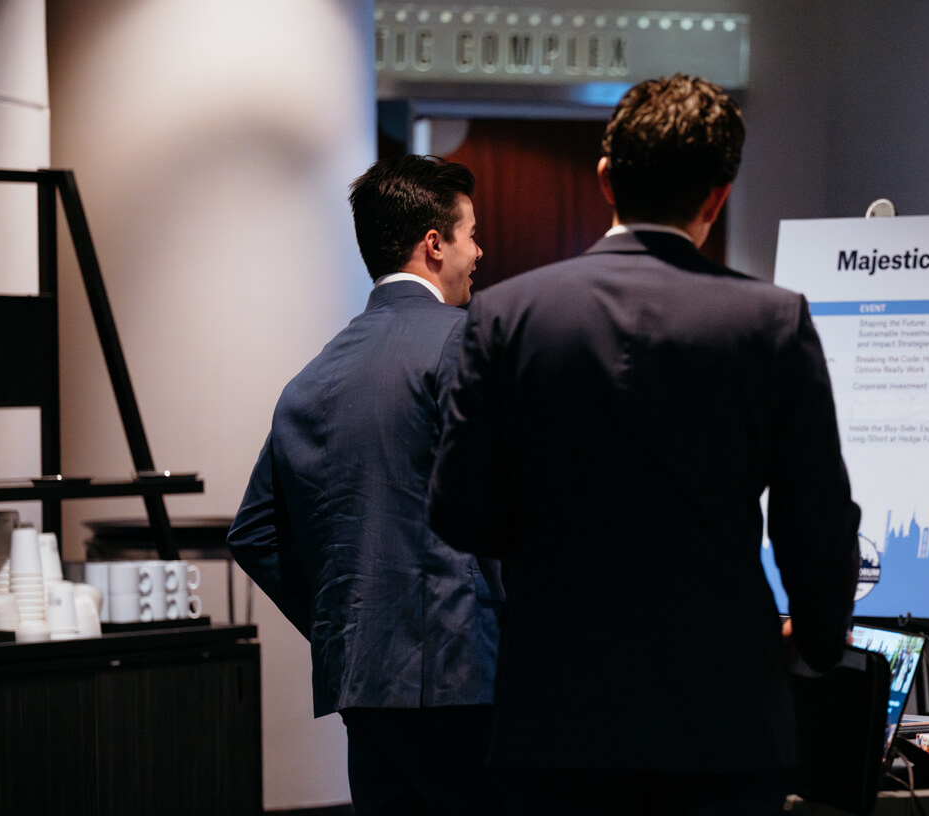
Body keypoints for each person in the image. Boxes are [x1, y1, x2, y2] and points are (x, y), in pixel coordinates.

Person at [428, 74, 860, 815]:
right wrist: (820, 644)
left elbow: (460, 510)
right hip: (722, 721)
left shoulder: (506, 315)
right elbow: (815, 520)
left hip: (556, 716)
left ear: (605, 181)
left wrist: (550, 545)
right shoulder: (772, 322)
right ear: (718, 195)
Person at [227, 155, 501, 815]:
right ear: (434, 244)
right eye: (470, 234)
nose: (480, 251)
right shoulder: (473, 346)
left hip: (364, 685)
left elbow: (254, 531)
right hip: (472, 677)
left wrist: (344, 626)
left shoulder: (311, 379)